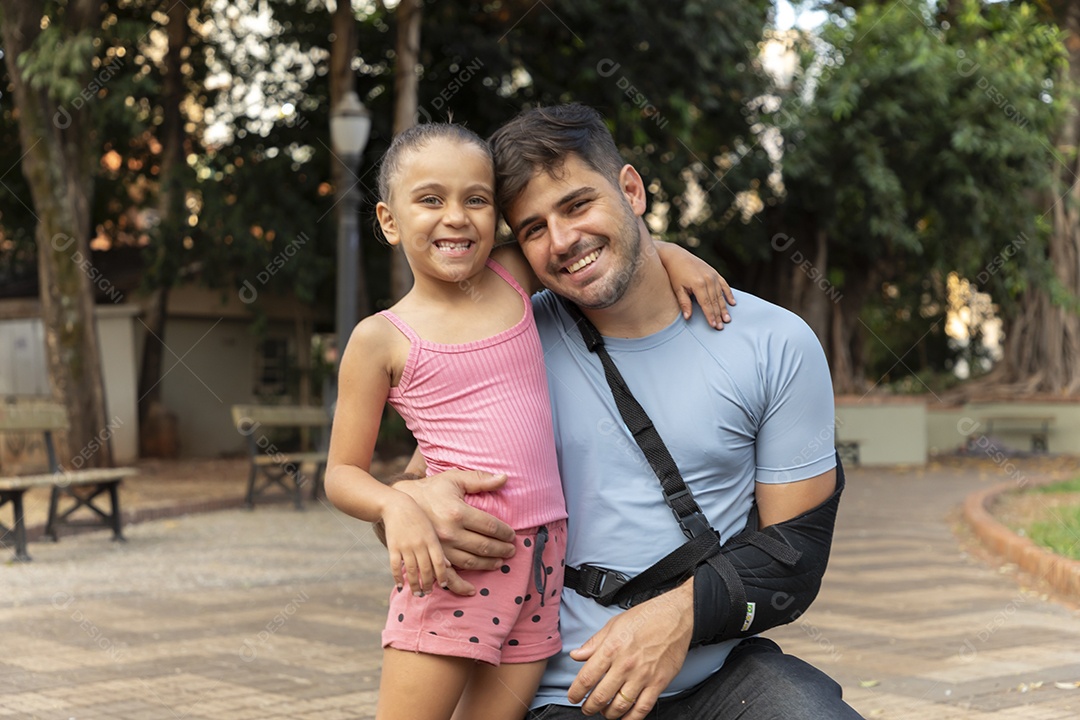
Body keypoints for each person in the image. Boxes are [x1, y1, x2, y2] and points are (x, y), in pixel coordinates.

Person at [392, 104, 864, 720]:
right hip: (563, 693)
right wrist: (410, 506)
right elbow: (414, 492)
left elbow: (792, 558)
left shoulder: (774, 343)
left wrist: (675, 619)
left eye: (578, 205)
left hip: (719, 679)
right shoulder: (510, 342)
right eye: (533, 228)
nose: (561, 240)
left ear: (632, 189)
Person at [323, 122, 735, 720]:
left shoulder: (511, 278)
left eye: (477, 199)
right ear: (389, 221)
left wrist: (673, 255)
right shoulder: (380, 338)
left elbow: (596, 250)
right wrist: (397, 506)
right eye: (431, 200)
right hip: (457, 565)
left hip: (544, 566)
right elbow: (340, 474)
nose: (457, 217)